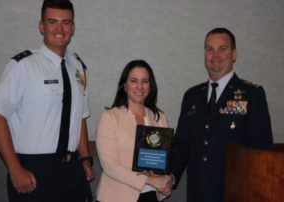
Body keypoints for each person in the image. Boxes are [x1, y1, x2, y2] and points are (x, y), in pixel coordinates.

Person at [0, 0, 94, 201]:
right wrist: (15, 168)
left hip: (71, 169)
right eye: (52, 22)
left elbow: (79, 117)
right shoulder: (23, 66)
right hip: (34, 170)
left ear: (73, 27)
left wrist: (86, 160)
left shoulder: (78, 67)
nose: (60, 29)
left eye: (66, 22)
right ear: (41, 26)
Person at [170, 27, 273, 202]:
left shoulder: (252, 94)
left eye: (222, 49)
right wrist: (170, 177)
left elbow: (261, 151)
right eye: (209, 49)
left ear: (234, 54)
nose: (215, 55)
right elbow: (181, 146)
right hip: (197, 193)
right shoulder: (191, 96)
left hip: (235, 193)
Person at [95, 60, 173, 202]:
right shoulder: (110, 117)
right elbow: (109, 166)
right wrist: (149, 180)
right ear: (125, 86)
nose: (139, 86)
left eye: (145, 81)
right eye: (134, 81)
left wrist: (166, 182)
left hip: (150, 196)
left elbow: (162, 163)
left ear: (150, 86)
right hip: (116, 196)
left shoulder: (160, 118)